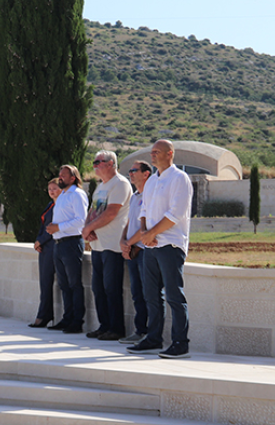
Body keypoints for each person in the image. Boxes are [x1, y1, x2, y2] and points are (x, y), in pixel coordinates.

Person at [126, 140, 193, 359]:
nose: (152, 155)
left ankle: (180, 343)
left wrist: (152, 234)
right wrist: (145, 233)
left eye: (157, 152)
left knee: (174, 295)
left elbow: (176, 214)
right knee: (150, 295)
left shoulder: (180, 179)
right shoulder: (153, 181)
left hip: (170, 245)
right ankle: (153, 338)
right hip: (151, 246)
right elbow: (144, 209)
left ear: (170, 154)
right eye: (152, 152)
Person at [81, 151, 132, 341]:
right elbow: (93, 210)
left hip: (112, 244)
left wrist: (89, 229)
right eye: (94, 162)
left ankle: (116, 328)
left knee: (111, 288)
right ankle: (104, 326)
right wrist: (87, 228)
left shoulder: (120, 184)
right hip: (98, 245)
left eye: (98, 162)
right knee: (98, 288)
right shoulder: (101, 187)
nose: (94, 165)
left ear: (111, 163)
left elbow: (111, 213)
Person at [46, 165, 88, 334]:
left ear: (73, 178)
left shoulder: (77, 195)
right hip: (59, 244)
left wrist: (59, 227)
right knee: (64, 284)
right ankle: (67, 318)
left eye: (64, 176)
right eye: (59, 175)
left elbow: (81, 220)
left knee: (74, 284)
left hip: (71, 242)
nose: (60, 178)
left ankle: (77, 321)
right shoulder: (62, 195)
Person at [119, 161, 152, 345]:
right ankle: (140, 331)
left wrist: (129, 244)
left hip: (143, 250)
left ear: (146, 174)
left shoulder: (150, 195)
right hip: (132, 250)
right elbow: (129, 223)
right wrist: (123, 241)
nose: (130, 174)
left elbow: (146, 226)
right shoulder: (135, 197)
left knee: (149, 293)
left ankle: (150, 333)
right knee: (136, 293)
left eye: (134, 170)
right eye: (130, 171)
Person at [30, 179, 62, 328]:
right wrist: (38, 240)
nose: (51, 191)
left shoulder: (61, 206)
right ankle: (44, 314)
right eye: (49, 189)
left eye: (55, 188)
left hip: (52, 246)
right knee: (44, 282)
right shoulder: (50, 205)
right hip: (45, 247)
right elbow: (43, 225)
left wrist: (41, 241)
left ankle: (44, 316)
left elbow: (53, 228)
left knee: (50, 282)